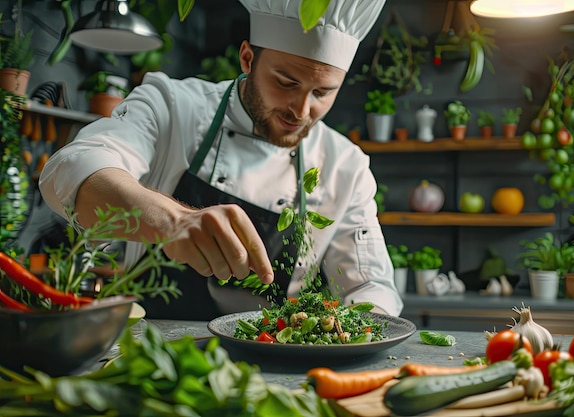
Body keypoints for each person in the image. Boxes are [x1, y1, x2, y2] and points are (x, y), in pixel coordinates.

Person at [39, 0, 403, 319]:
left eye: (323, 93)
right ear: (248, 58)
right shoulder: (172, 105)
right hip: (154, 353)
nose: (302, 110)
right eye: (286, 82)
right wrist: (175, 221)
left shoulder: (345, 166)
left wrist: (350, 326)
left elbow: (371, 286)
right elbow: (72, 169)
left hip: (274, 363)